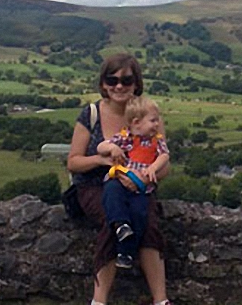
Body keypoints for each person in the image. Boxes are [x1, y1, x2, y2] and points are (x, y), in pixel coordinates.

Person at [67, 53, 172, 305]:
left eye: (126, 80)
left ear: (136, 83)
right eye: (111, 80)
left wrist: (146, 177)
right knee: (114, 219)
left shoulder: (150, 116)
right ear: (103, 84)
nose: (119, 86)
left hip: (138, 187)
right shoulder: (91, 114)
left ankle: (161, 300)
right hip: (93, 185)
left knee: (147, 222)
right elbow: (73, 162)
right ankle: (99, 301)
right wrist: (101, 161)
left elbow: (165, 164)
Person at [98, 96, 170, 270]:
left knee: (139, 214)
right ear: (137, 122)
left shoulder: (156, 140)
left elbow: (164, 155)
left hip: (141, 187)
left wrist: (153, 167)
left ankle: (126, 253)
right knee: (111, 193)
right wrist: (113, 148)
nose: (157, 124)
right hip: (120, 179)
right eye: (153, 120)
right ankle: (120, 224)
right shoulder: (124, 137)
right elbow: (101, 147)